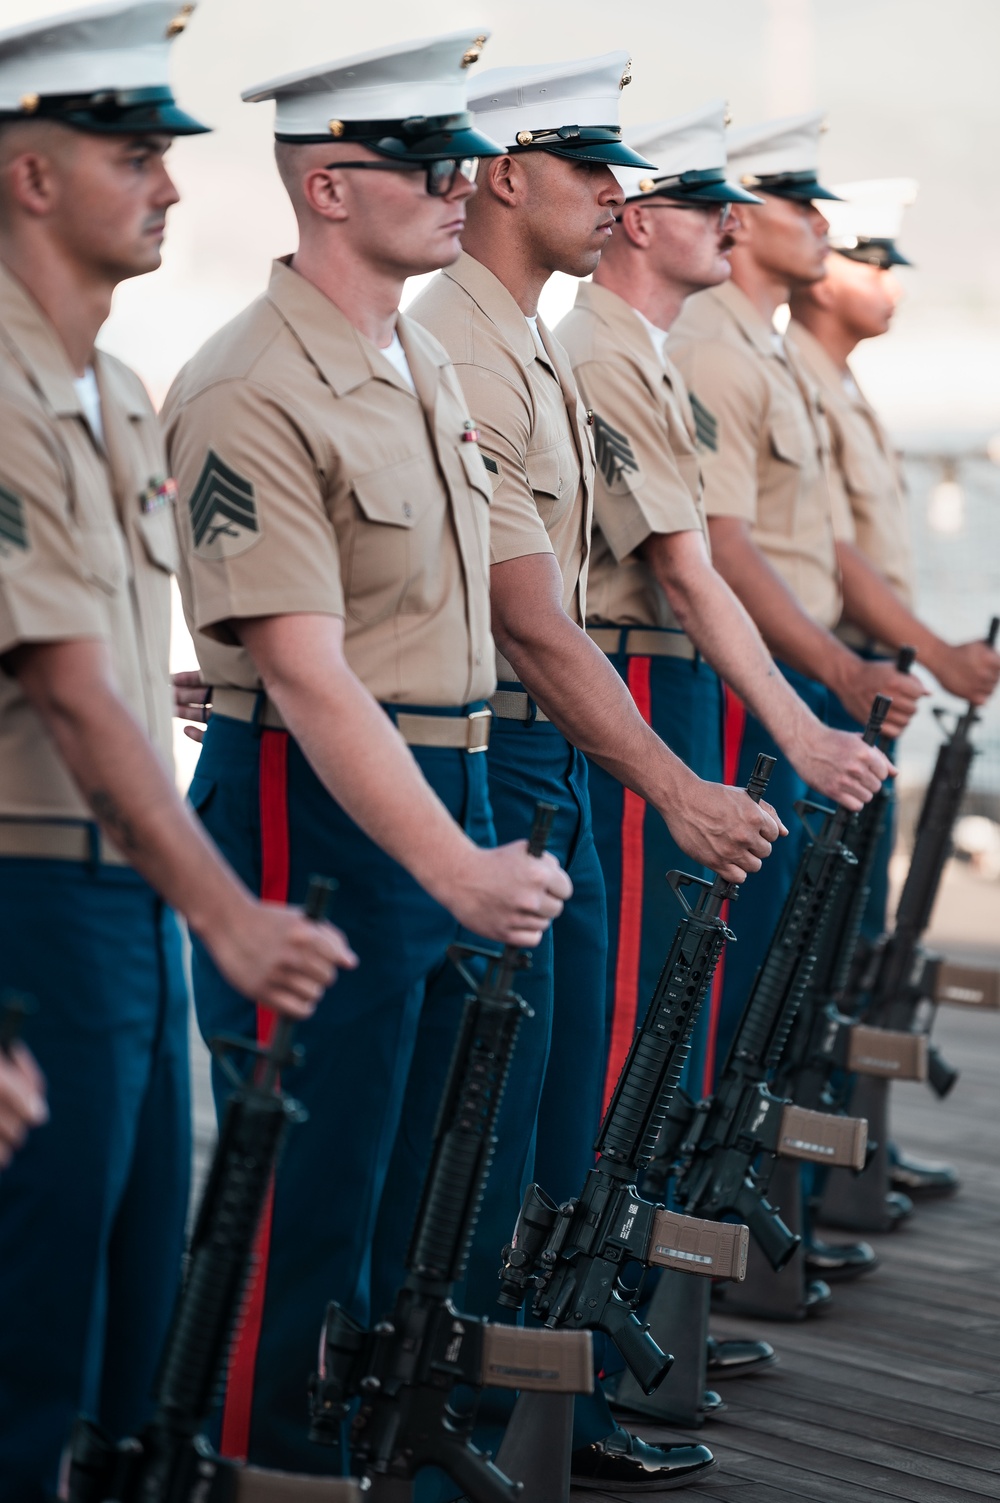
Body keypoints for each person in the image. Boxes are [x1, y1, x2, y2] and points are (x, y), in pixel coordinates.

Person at [163, 31, 571, 1474]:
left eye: (462, 156)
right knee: (299, 1189)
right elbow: (304, 668)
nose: (461, 183)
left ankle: (359, 1443)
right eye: (426, 161)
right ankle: (250, 1454)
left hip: (435, 786)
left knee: (411, 1184)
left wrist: (464, 836)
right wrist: (453, 860)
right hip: (320, 810)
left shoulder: (415, 364)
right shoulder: (249, 382)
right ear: (330, 187)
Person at [401, 54, 783, 1495]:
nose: (622, 200)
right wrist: (697, 777)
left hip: (555, 746)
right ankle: (463, 1415)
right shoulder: (471, 341)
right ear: (509, 175)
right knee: (490, 1119)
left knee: (568, 1099)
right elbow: (546, 608)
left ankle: (537, 1391)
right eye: (596, 171)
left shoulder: (535, 342)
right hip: (512, 749)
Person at [0, 4, 353, 1499]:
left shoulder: (115, 391)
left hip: (126, 900)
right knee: (29, 1342)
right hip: (42, 906)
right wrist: (234, 912)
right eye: (136, 153)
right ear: (31, 176)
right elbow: (68, 697)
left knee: (135, 1312)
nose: (173, 186)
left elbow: (90, 664)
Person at [556, 102, 888, 1117]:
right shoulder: (615, 352)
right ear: (642, 222)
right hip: (638, 670)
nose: (730, 222)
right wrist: (815, 716)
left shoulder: (651, 351)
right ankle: (606, 1246)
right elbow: (696, 564)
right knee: (636, 990)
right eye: (704, 204)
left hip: (675, 667)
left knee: (686, 973)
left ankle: (654, 1233)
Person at [787, 178, 1000, 1201]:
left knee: (861, 931)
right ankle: (813, 1160)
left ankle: (842, 1149)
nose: (891, 286)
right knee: (817, 937)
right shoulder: (794, 375)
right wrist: (936, 654)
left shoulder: (844, 388)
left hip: (867, 674)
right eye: (871, 261)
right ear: (818, 271)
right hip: (833, 671)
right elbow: (834, 562)